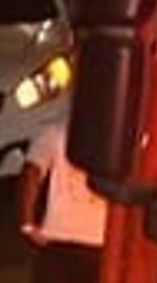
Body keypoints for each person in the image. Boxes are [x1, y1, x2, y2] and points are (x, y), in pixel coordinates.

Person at [18, 119, 106, 282]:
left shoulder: (56, 131)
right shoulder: (120, 136)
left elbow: (32, 171)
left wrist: (28, 223)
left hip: (58, 236)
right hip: (100, 239)